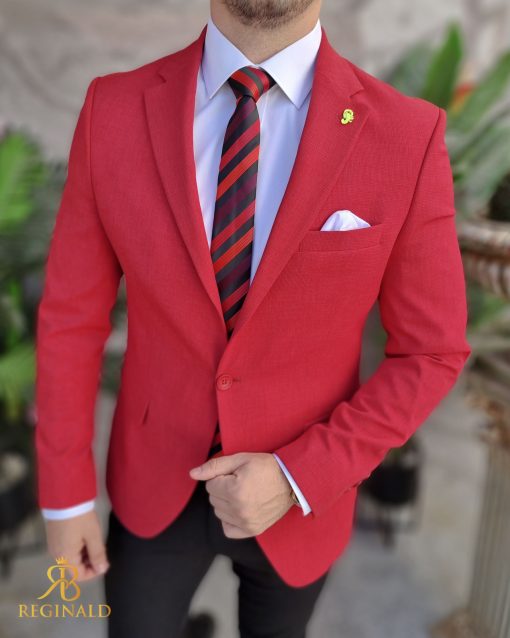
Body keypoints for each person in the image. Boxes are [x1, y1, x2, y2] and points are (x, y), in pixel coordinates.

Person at [35, 0, 471, 636]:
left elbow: (431, 352)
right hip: (153, 481)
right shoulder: (114, 108)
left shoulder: (407, 134)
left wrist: (300, 476)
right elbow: (71, 320)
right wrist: (65, 495)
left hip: (299, 502)